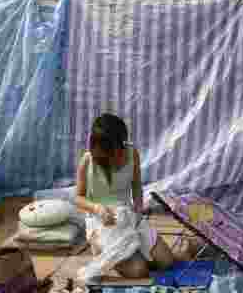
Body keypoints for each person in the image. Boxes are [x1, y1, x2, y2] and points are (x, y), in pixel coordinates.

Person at [75, 114, 193, 278]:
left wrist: (138, 207)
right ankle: (102, 248)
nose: (115, 155)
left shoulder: (132, 153)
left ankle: (134, 253)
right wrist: (97, 208)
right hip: (102, 221)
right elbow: (78, 198)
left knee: (167, 261)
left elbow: (136, 185)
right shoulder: (88, 161)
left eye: (118, 148)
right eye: (108, 151)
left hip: (129, 216)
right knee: (139, 271)